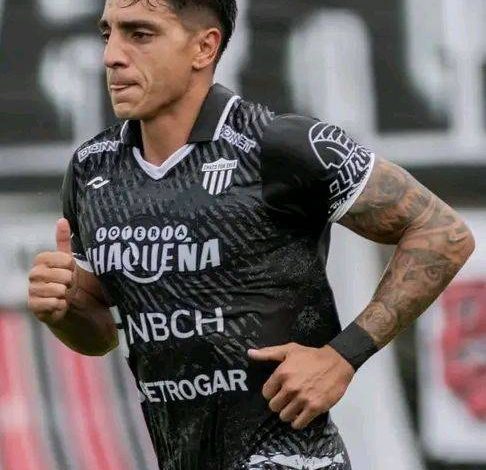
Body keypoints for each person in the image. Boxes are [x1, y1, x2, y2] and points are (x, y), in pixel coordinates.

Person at [27, 0, 475, 468]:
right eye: (108, 34)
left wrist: (343, 356)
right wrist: (65, 307)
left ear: (204, 47)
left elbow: (442, 232)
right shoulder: (92, 168)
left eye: (139, 34)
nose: (111, 56)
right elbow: (101, 336)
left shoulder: (278, 144)